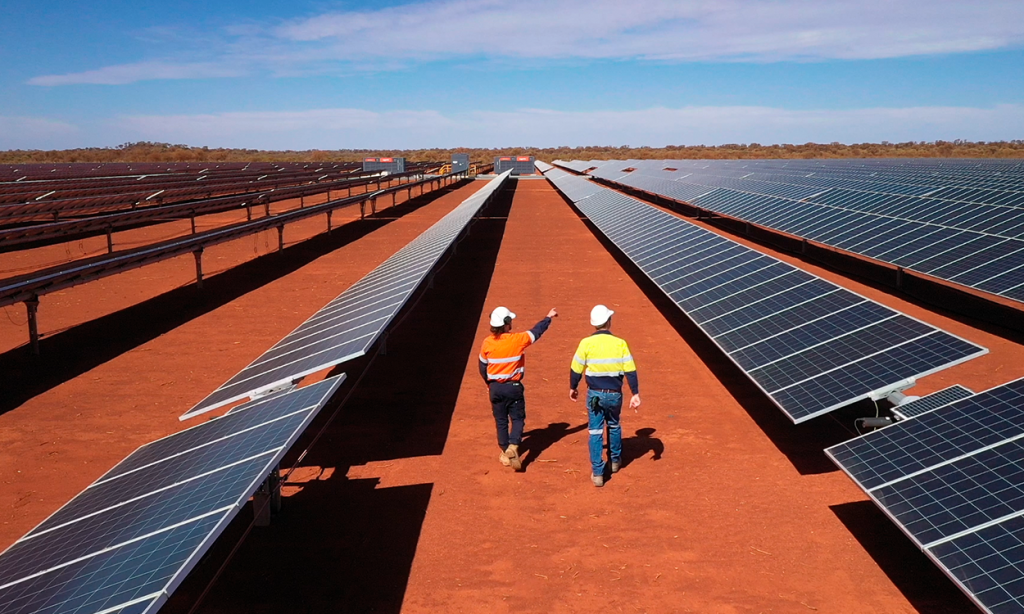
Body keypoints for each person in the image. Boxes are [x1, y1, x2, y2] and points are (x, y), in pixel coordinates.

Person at [569, 305, 641, 487]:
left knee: (595, 431)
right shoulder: (620, 343)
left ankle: (598, 473)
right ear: (608, 322)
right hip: (615, 395)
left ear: (594, 324)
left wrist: (573, 387)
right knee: (614, 425)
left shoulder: (585, 343)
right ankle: (615, 461)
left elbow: (576, 368)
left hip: (595, 396)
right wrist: (635, 393)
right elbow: (630, 371)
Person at [479, 306, 558, 470]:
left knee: (500, 421)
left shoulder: (487, 343)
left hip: (495, 388)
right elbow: (537, 331)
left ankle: (505, 452)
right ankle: (513, 446)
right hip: (513, 387)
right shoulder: (518, 339)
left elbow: (482, 367)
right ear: (506, 323)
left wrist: (489, 384)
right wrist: (548, 317)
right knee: (517, 419)